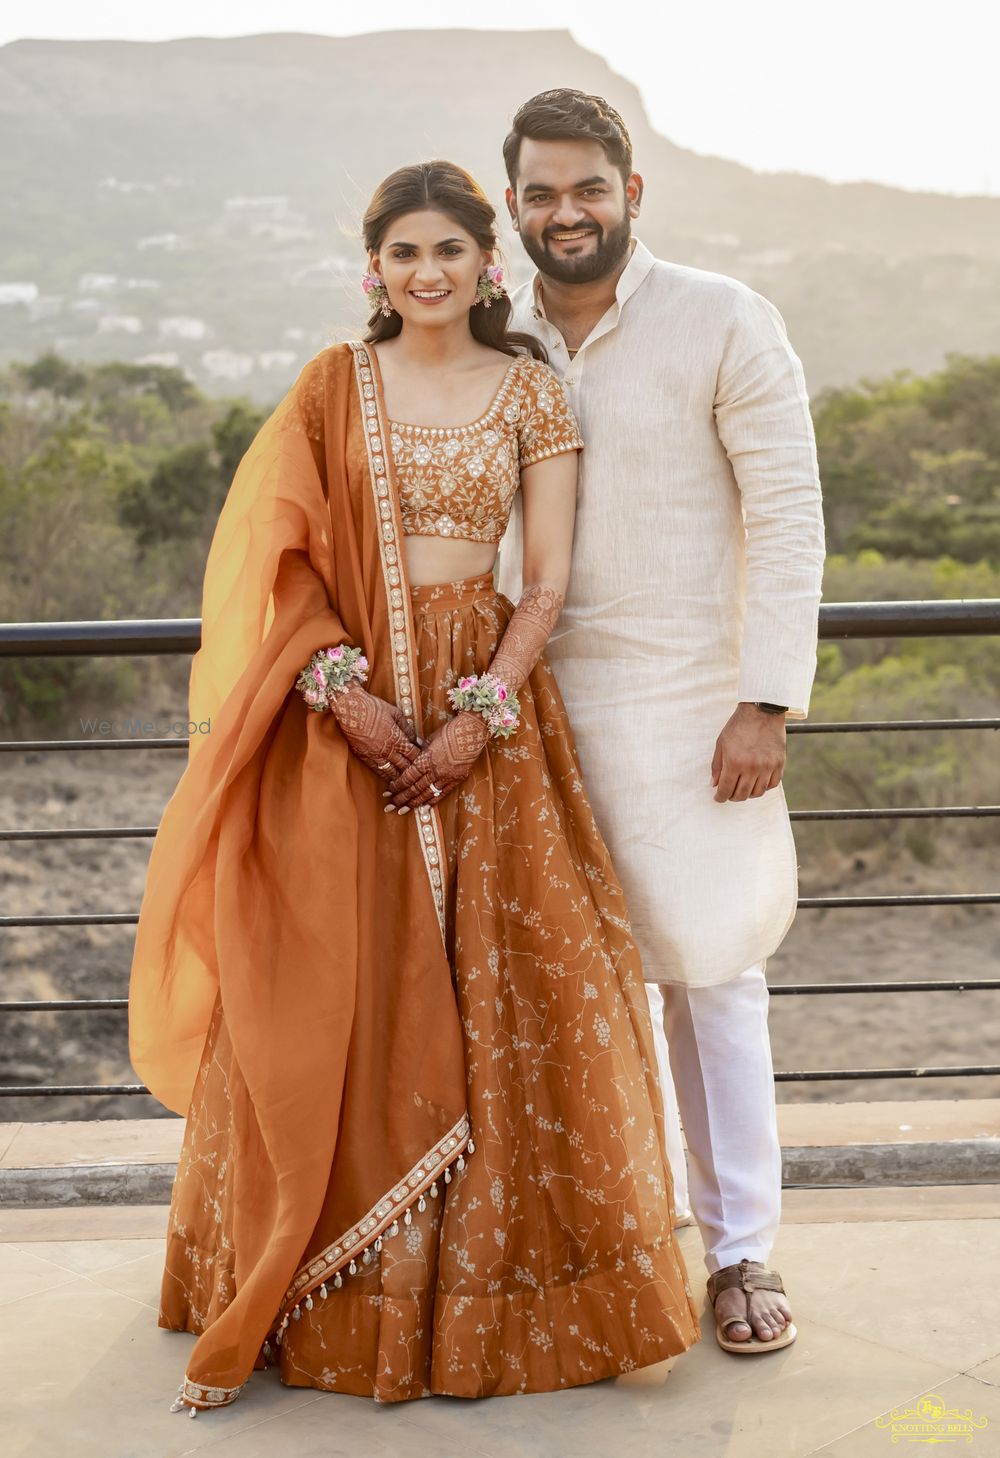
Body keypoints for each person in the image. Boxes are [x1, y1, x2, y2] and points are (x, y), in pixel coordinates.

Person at [128, 159, 700, 1417]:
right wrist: (341, 692)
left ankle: (483, 1295)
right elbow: (270, 560)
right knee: (336, 976)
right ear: (374, 269)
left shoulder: (532, 392)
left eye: (450, 252)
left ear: (486, 265)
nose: (428, 273)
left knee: (510, 990)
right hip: (343, 713)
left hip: (486, 722)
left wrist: (477, 718)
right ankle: (316, 1284)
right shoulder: (333, 388)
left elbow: (541, 581)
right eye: (405, 255)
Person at [498, 90, 826, 1354]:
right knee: (564, 987)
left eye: (586, 188)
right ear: (514, 201)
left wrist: (764, 700)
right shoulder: (491, 334)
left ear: (632, 192)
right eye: (540, 192)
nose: (564, 212)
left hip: (698, 709)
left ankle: (743, 1251)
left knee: (714, 974)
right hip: (533, 710)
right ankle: (607, 1244)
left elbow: (788, 516)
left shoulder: (725, 318)